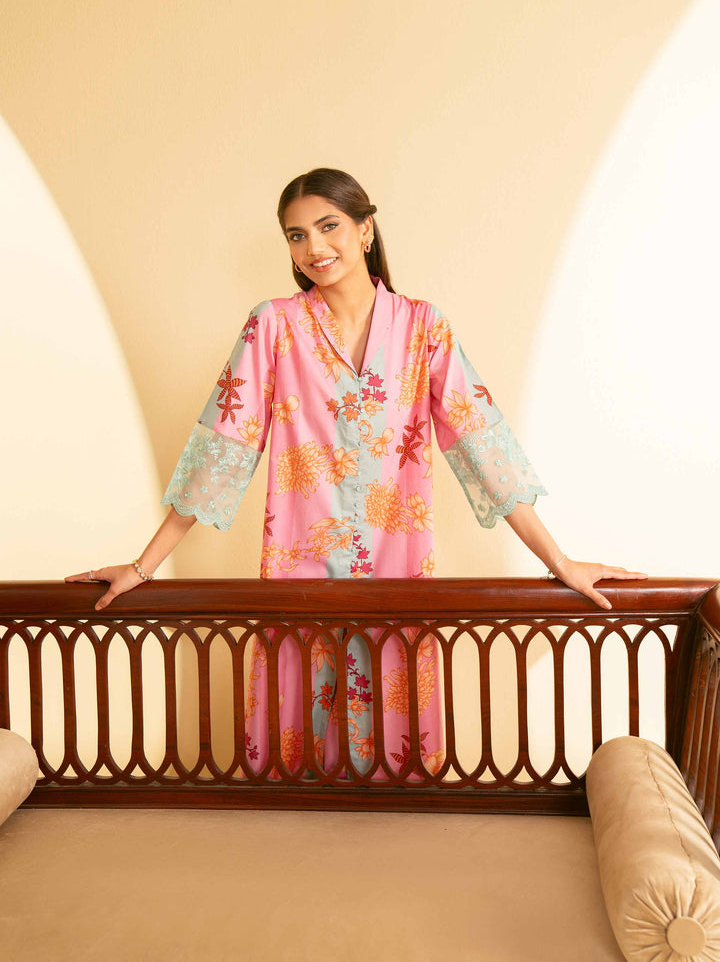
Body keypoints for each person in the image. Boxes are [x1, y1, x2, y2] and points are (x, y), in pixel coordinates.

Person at [65, 166, 648, 779]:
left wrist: (560, 562)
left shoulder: (423, 328)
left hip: (397, 575)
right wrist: (142, 567)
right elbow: (223, 450)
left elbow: (481, 445)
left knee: (395, 750)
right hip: (299, 573)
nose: (313, 247)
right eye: (296, 235)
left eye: (329, 227)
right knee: (293, 753)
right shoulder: (274, 327)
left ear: (366, 229)